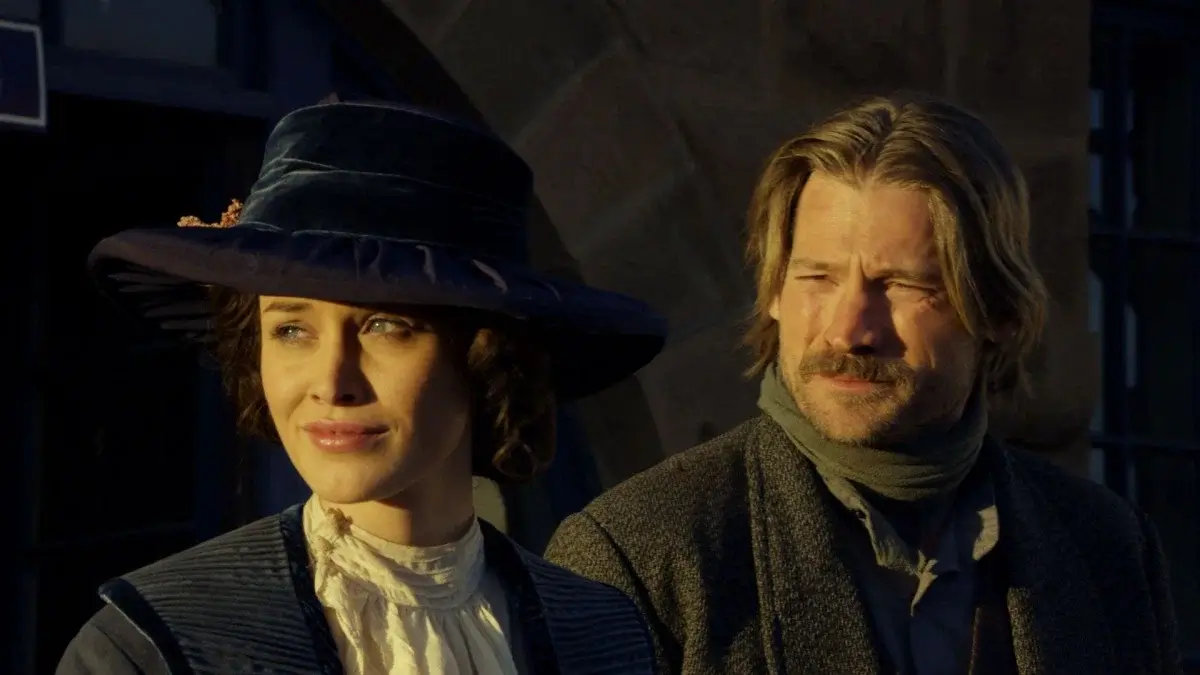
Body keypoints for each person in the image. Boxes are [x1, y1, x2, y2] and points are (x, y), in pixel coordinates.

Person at [543, 93, 1181, 675]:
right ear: (773, 293)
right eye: (817, 278)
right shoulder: (640, 554)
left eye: (901, 284)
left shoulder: (1106, 549)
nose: (849, 330)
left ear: (996, 310)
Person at [56, 100, 666, 675]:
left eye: (385, 326)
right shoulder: (157, 647)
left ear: (487, 357)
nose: (332, 382)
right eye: (292, 330)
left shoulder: (606, 635)